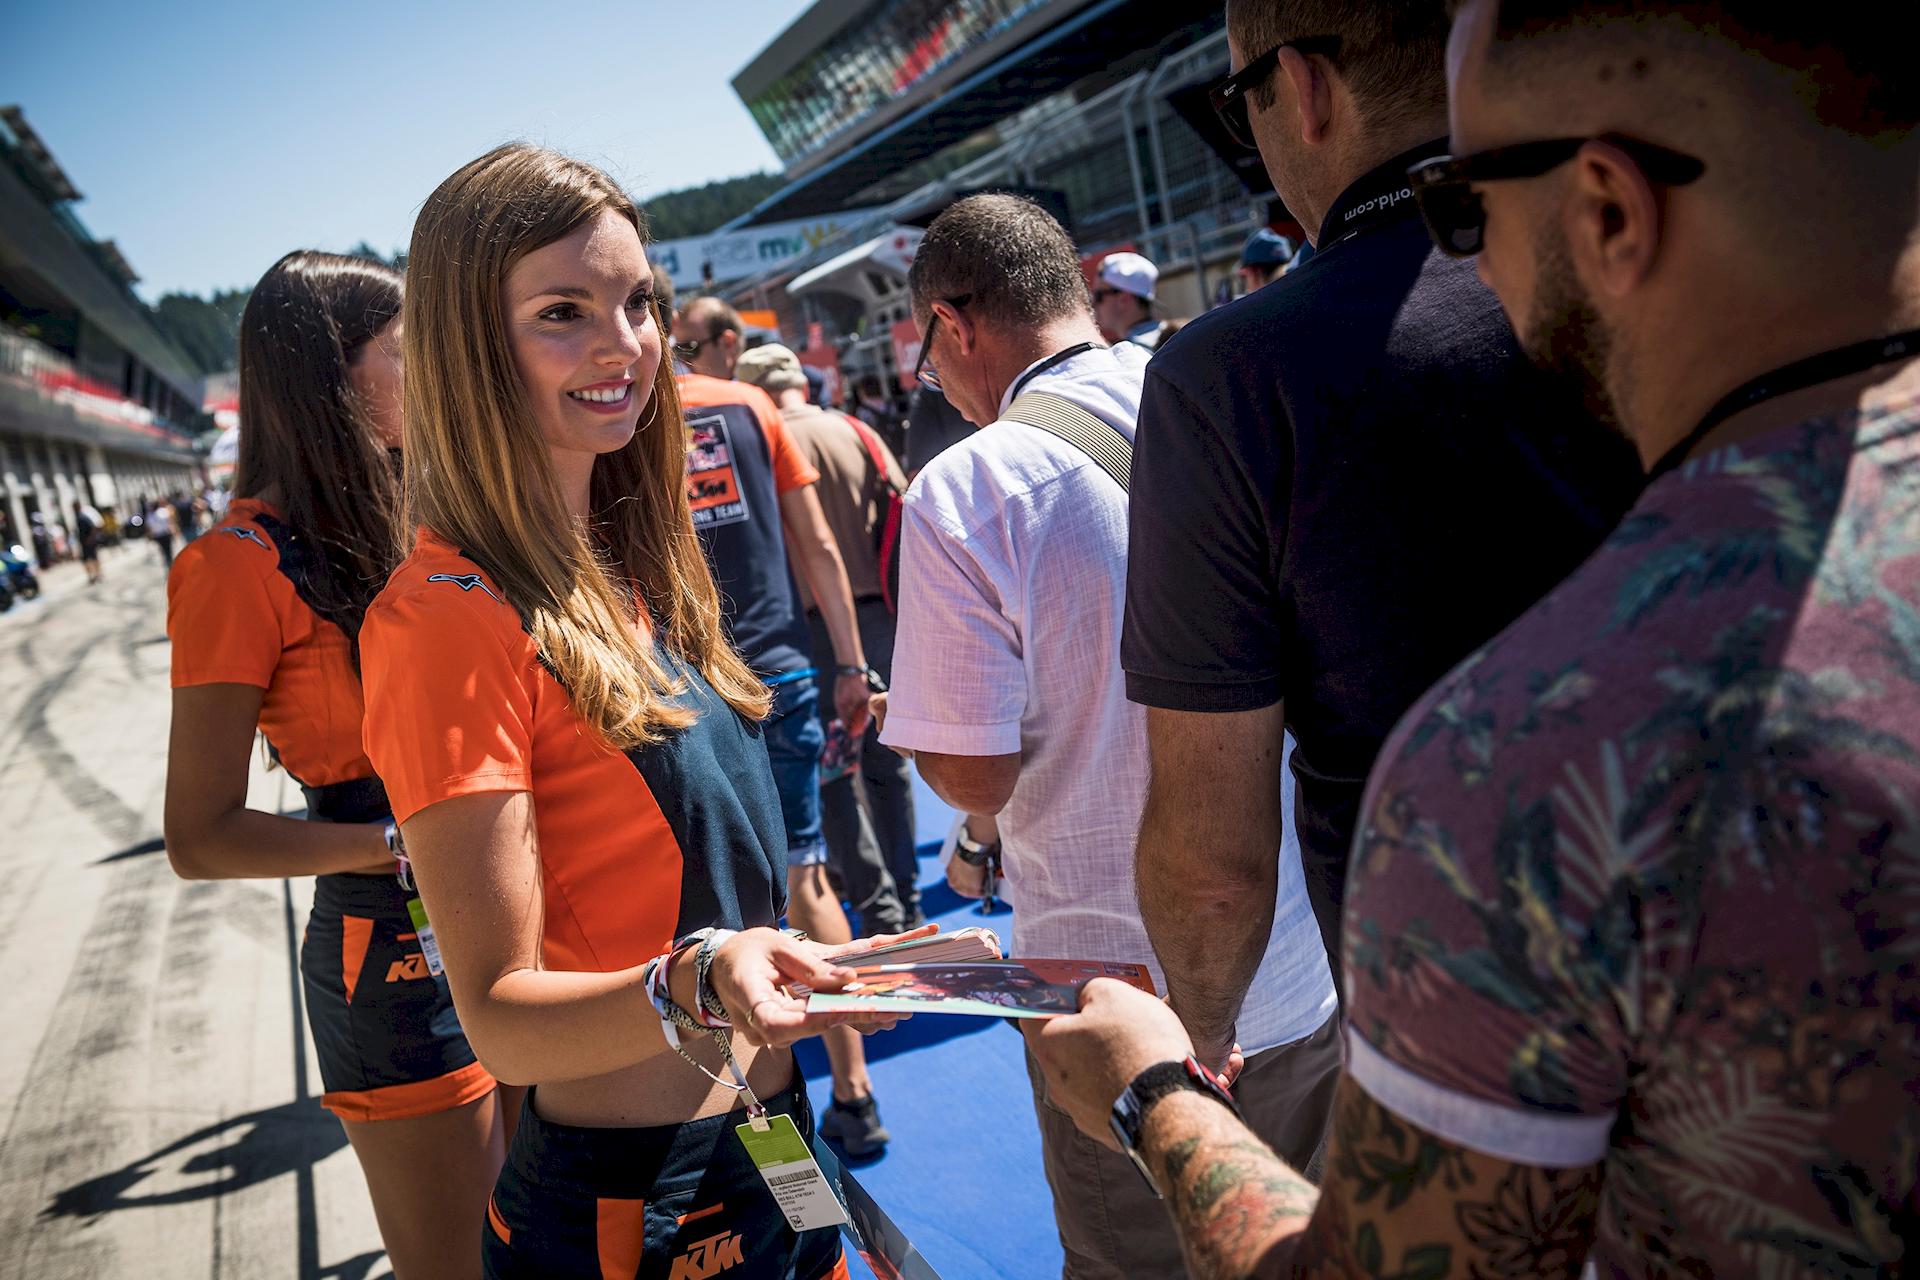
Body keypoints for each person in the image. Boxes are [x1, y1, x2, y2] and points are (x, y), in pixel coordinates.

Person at [1035, 3, 1920, 1276]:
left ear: (1608, 211)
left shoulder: (1526, 767)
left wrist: (1156, 1090)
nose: (1468, 264)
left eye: (1462, 201)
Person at [360, 144, 909, 1280]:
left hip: (773, 1134)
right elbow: (501, 1015)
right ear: (471, 344)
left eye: (639, 301)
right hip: (637, 1202)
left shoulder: (642, 571)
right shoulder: (444, 617)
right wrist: (701, 979)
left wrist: (822, 967)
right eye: (565, 310)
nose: (625, 343)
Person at [1121, 0, 1644, 1085]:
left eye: (1240, 105)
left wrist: (1198, 1044)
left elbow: (1214, 852)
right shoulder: (1644, 258)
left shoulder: (1231, 375)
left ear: (1304, 88)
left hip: (1458, 1030)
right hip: (1761, 943)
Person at [876, 193, 1339, 1280]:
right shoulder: (1230, 395)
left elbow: (973, 766)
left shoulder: (970, 485)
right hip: (1303, 961)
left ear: (953, 323)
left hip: (1116, 1009)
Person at [163, 250, 513, 1280]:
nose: (431, 375)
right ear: (331, 374)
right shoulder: (230, 566)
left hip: (513, 915)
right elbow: (199, 834)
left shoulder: (417, 520)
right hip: (393, 953)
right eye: (406, 353)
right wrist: (401, 844)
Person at [672, 295, 895, 1156]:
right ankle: (854, 1091)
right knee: (807, 873)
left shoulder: (621, 420)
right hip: (783, 669)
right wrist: (849, 662)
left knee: (707, 909)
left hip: (686, 684)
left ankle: (741, 1103)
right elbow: (819, 547)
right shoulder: (754, 406)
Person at [735, 342, 921, 935]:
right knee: (889, 764)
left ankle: (877, 906)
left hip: (810, 625)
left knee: (834, 773)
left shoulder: (762, 445)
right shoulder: (856, 432)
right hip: (878, 617)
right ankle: (908, 895)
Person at [1091, 252, 1174, 351]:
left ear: (1124, 299)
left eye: (1098, 295)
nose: (1093, 303)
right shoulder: (1176, 336)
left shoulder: (1132, 352)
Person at [1237, 228, 1294, 292]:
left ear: (1256, 272)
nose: (1247, 288)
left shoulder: (1271, 298)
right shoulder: (1299, 281)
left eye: (1244, 277)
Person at [71, 499, 103, 584]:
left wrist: (90, 539)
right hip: (85, 542)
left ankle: (97, 575)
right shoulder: (79, 517)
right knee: (89, 559)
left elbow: (93, 528)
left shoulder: (82, 517)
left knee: (92, 559)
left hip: (88, 543)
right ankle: (94, 575)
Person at [146, 495, 175, 568]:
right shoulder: (163, 511)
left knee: (164, 550)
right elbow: (169, 521)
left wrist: (150, 536)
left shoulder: (150, 515)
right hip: (165, 534)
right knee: (168, 550)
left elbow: (150, 528)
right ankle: (170, 562)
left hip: (159, 535)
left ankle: (168, 563)